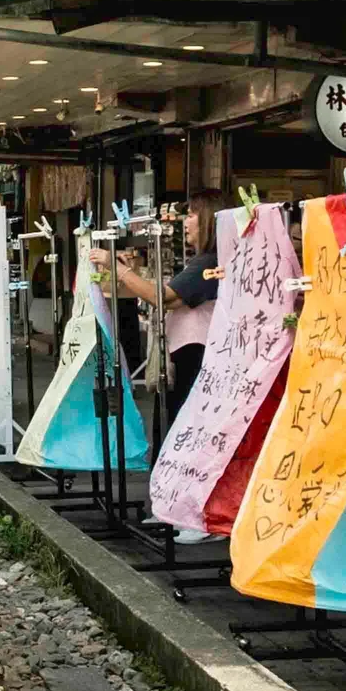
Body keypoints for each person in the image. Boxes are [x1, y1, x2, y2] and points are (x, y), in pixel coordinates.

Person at [91, 190, 222, 543]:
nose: (186, 222)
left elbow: (162, 296)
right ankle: (172, 509)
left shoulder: (210, 261)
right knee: (174, 431)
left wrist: (117, 268)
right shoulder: (203, 262)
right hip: (188, 354)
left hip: (200, 356)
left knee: (191, 435)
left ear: (209, 219)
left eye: (193, 215)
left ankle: (197, 518)